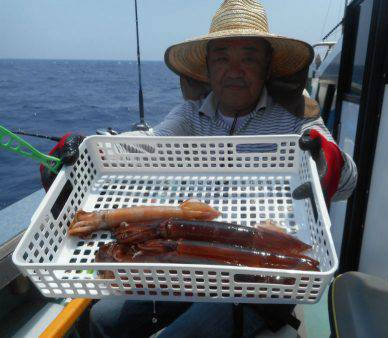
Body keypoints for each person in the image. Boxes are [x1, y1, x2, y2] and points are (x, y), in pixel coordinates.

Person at [41, 1, 357, 337]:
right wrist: (79, 150)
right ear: (207, 68)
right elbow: (147, 146)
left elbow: (348, 182)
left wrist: (324, 155)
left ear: (266, 67)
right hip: (188, 259)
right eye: (222, 57)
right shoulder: (190, 114)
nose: (235, 70)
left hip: (258, 276)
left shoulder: (296, 115)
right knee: (101, 320)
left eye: (249, 57)